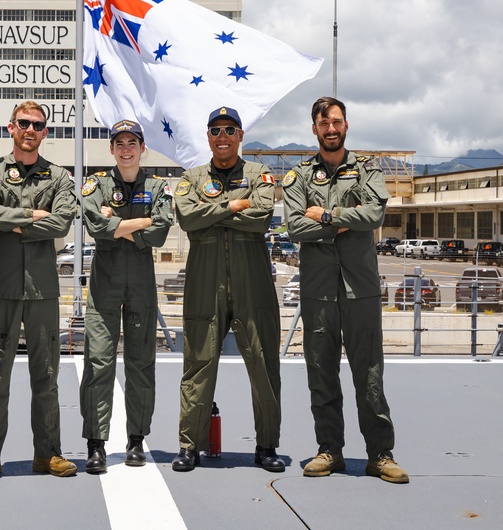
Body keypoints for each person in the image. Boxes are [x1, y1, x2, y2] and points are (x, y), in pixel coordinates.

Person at [282, 96, 409, 484]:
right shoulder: (299, 176)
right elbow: (294, 227)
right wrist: (346, 222)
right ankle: (329, 451)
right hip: (318, 291)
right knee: (320, 374)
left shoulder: (367, 170)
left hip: (361, 290)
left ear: (346, 125)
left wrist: (328, 215)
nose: (331, 129)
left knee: (369, 375)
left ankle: (380, 455)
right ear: (315, 129)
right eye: (324, 123)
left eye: (336, 122)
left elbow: (375, 214)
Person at [0, 101, 78, 482]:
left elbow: (62, 223)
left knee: (46, 375)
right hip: (1, 290)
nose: (30, 130)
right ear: (11, 128)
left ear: (45, 132)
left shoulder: (59, 177)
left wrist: (14, 223)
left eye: (38, 125)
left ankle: (48, 454)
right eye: (24, 123)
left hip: (42, 291)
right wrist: (34, 216)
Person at [171, 106, 284, 473]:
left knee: (264, 364)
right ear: (208, 137)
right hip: (205, 282)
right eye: (216, 130)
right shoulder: (191, 177)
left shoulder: (259, 175)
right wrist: (234, 204)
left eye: (230, 130)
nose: (223, 136)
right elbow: (188, 218)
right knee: (198, 364)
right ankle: (190, 445)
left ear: (240, 136)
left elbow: (261, 219)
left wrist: (212, 213)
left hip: (253, 281)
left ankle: (266, 446)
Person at [79, 119, 173, 474]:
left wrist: (117, 223)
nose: (126, 149)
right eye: (120, 144)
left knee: (141, 362)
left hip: (142, 284)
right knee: (99, 362)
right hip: (106, 281)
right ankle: (96, 444)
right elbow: (95, 226)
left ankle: (136, 440)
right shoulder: (97, 184)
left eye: (132, 143)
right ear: (112, 149)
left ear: (142, 147)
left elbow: (162, 231)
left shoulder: (158, 185)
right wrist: (140, 223)